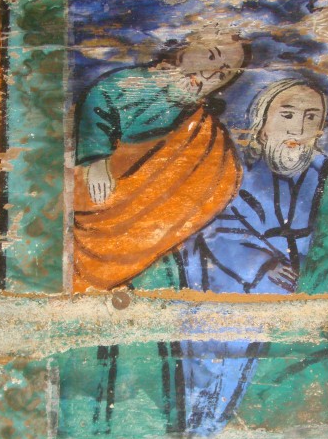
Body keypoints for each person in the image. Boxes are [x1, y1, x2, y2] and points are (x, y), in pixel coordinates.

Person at [179, 79, 328, 434]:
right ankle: (205, 424)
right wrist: (262, 263)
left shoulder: (323, 174)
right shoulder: (236, 171)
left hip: (302, 287)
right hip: (234, 282)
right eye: (287, 115)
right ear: (262, 126)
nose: (298, 128)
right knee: (222, 358)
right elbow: (213, 228)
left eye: (311, 117)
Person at [72, 32, 249, 292]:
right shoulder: (130, 84)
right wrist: (96, 159)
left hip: (156, 235)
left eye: (223, 73)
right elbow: (98, 105)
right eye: (210, 56)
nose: (210, 74)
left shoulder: (206, 129)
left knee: (159, 286)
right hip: (102, 211)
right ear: (183, 50)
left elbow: (221, 174)